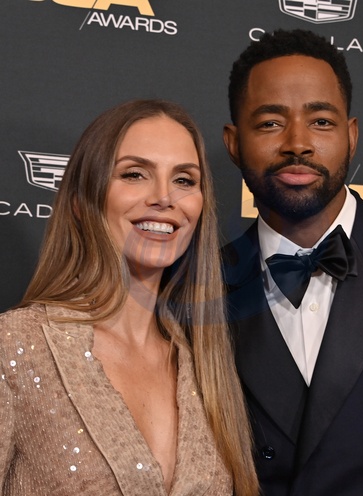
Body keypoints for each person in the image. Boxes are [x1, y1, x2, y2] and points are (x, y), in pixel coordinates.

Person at [221, 28, 363, 496]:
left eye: (321, 121)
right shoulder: (193, 289)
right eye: (270, 123)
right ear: (233, 142)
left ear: (351, 136)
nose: (298, 143)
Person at [0, 99, 258, 496]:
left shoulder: (207, 363)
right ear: (81, 201)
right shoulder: (14, 346)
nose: (164, 197)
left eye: (184, 180)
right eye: (135, 174)